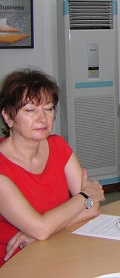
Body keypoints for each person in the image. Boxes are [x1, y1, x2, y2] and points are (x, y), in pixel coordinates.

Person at [0, 69, 105, 267]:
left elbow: (94, 209)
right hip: (16, 264)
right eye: (30, 110)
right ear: (8, 117)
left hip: (56, 249)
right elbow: (41, 228)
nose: (42, 118)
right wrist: (85, 196)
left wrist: (47, 230)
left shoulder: (58, 146)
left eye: (48, 109)